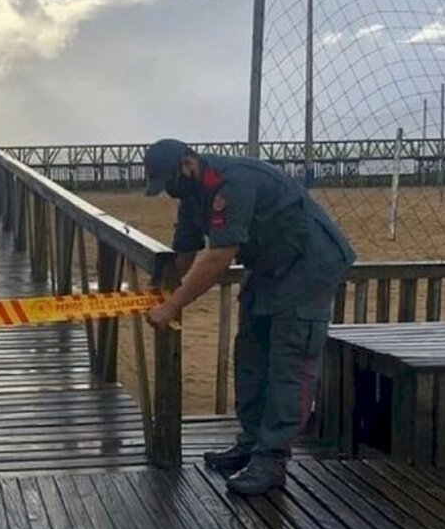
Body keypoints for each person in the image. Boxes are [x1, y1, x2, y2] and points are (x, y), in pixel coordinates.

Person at [142, 138, 355, 495]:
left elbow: (218, 256)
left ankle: (271, 460)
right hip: (268, 266)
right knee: (251, 353)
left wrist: (172, 305)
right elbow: (186, 251)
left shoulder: (234, 181)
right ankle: (250, 443)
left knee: (289, 361)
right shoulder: (192, 196)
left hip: (308, 264)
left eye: (169, 182)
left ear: (188, 164)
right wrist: (162, 288)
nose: (169, 191)